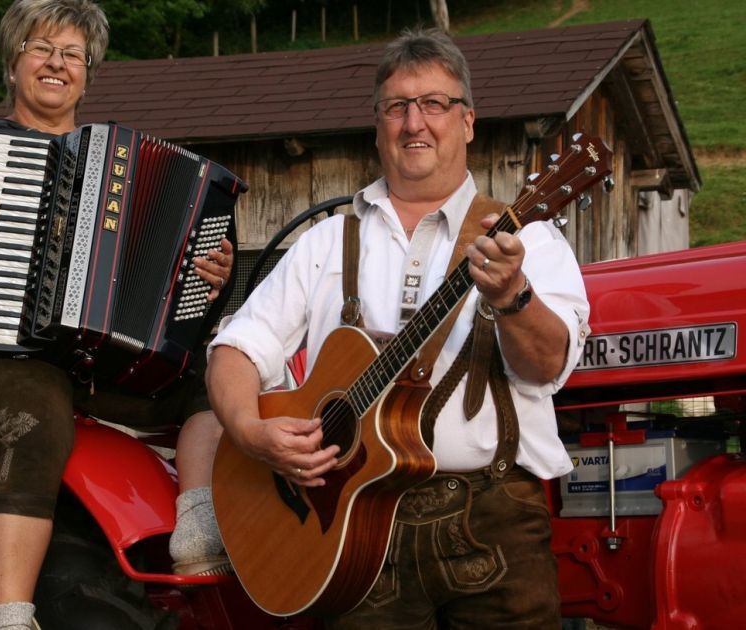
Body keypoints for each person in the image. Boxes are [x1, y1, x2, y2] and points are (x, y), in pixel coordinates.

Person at [0, 1, 229, 627]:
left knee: (216, 386)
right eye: (41, 48)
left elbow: (159, 277)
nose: (57, 63)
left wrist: (203, 272)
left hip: (95, 353)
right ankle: (9, 616)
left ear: (88, 71)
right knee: (39, 420)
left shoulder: (117, 157)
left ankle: (196, 528)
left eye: (73, 54)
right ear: (13, 63)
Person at [206, 27, 590, 629]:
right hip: (350, 531)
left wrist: (514, 296)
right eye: (397, 107)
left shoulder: (528, 238)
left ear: (466, 121)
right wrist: (250, 432)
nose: (415, 123)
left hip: (490, 525)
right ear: (378, 122)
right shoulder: (328, 241)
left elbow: (547, 368)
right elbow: (236, 349)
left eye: (434, 103)